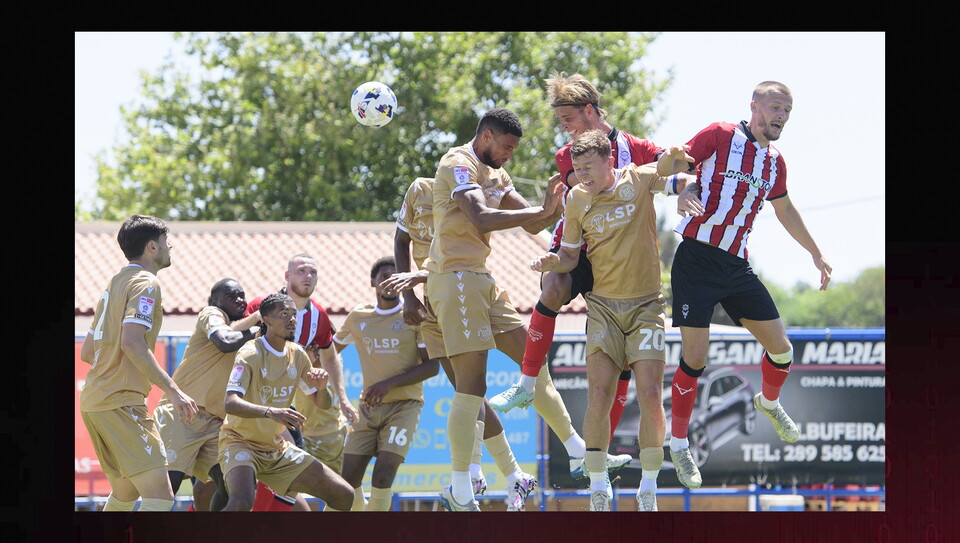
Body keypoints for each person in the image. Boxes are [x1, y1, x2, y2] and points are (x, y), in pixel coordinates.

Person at [417, 107, 614, 511]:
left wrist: (565, 200)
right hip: (453, 278)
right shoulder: (458, 162)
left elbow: (535, 223)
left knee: (532, 361)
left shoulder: (497, 173)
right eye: (506, 147)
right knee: (472, 388)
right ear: (486, 137)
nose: (509, 155)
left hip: (481, 280)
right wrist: (541, 212)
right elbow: (482, 216)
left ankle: (577, 449)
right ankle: (460, 485)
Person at [656, 81, 833, 491]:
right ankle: (679, 443)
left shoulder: (775, 162)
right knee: (695, 360)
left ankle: (767, 403)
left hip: (736, 267)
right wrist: (682, 186)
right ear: (754, 106)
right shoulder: (720, 134)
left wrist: (816, 253)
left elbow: (785, 208)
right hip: (696, 260)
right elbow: (673, 167)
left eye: (787, 112)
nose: (781, 117)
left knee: (782, 349)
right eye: (775, 108)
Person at [491, 71, 661, 478]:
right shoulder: (569, 155)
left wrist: (684, 181)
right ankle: (527, 383)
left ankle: (594, 456)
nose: (563, 128)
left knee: (618, 368)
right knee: (552, 286)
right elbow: (589, 197)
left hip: (624, 262)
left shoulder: (637, 148)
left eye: (567, 119)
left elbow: (673, 165)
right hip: (580, 249)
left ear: (589, 111)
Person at [531, 129, 696, 511]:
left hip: (646, 308)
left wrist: (673, 156)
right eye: (577, 168)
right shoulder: (576, 200)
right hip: (603, 309)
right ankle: (599, 488)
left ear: (610, 161)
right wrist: (553, 261)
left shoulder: (637, 178)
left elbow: (670, 169)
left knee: (652, 394)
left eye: (589, 167)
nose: (582, 174)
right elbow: (571, 257)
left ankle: (648, 488)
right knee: (600, 396)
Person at [382, 176, 538, 511]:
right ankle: (502, 475)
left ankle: (484, 474)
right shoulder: (419, 189)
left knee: (473, 392)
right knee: (469, 394)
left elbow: (457, 263)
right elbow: (400, 240)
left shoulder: (469, 201)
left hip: (459, 295)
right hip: (429, 306)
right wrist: (408, 299)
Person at [79, 214, 199, 511]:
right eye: (165, 241)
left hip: (95, 402)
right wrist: (174, 390)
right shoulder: (146, 282)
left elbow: (87, 351)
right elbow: (131, 343)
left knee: (126, 493)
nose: (170, 246)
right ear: (152, 248)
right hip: (121, 403)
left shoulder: (114, 283)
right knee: (160, 496)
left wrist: (112, 368)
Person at [217, 293, 355, 511]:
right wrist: (271, 412)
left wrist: (322, 389)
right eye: (284, 314)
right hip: (239, 442)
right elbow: (231, 403)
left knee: (344, 495)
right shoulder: (249, 353)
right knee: (242, 502)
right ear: (266, 320)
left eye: (294, 314)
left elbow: (323, 403)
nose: (292, 319)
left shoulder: (298, 354)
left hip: (275, 448)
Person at [246, 253, 359, 511]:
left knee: (293, 478)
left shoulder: (317, 317)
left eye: (313, 272)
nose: (308, 276)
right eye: (301, 271)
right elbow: (233, 342)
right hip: (246, 407)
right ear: (287, 276)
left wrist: (341, 397)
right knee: (286, 456)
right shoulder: (260, 306)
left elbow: (330, 356)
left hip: (280, 407)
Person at [333, 256, 439, 511]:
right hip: (367, 408)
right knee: (346, 482)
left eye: (395, 277)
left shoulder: (415, 316)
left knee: (382, 475)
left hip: (404, 407)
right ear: (373, 282)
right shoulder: (359, 316)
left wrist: (388, 384)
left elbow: (432, 366)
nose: (389, 282)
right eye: (383, 277)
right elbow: (329, 352)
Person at [153, 278, 262, 511]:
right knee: (166, 491)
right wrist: (256, 323)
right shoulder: (211, 313)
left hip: (215, 422)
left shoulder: (248, 339)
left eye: (242, 295)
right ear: (213, 301)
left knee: (231, 487)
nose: (240, 300)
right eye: (231, 295)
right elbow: (223, 341)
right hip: (183, 413)